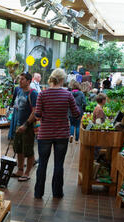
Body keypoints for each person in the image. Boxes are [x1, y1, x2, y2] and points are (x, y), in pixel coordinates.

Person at [34, 68, 80, 199]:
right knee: (59, 164)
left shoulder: (42, 94)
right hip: (62, 134)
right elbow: (76, 113)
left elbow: (37, 114)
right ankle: (57, 192)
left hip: (45, 134)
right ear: (62, 80)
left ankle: (38, 192)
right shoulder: (68, 95)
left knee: (42, 163)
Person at [12, 72, 38, 182]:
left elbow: (35, 111)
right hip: (18, 123)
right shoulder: (18, 91)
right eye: (20, 79)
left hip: (28, 126)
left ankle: (27, 173)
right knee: (18, 148)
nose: (20, 81)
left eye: (22, 79)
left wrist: (26, 124)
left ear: (28, 81)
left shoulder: (33, 93)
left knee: (28, 150)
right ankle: (20, 170)